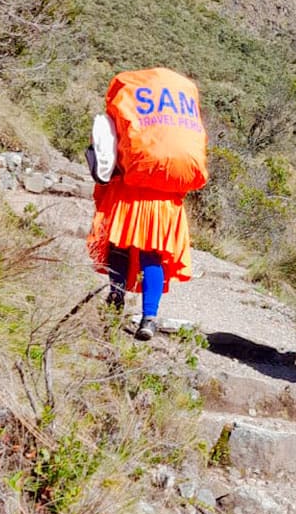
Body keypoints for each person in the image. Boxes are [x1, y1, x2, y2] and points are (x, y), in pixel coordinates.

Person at [86, 67, 207, 340]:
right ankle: (149, 318)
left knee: (119, 245)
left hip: (131, 189)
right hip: (165, 197)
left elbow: (109, 140)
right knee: (153, 254)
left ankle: (115, 298)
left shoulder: (129, 91)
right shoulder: (182, 103)